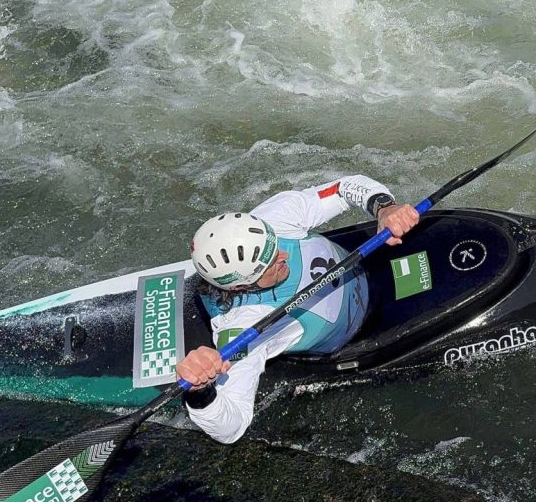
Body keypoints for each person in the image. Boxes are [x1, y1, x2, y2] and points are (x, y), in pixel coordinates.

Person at [177, 174, 420, 443]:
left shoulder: (271, 219)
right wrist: (200, 392)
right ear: (239, 288)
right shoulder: (244, 328)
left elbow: (342, 189)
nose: (283, 255)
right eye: (269, 263)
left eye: (275, 245)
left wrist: (384, 208)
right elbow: (230, 428)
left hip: (369, 264)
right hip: (364, 329)